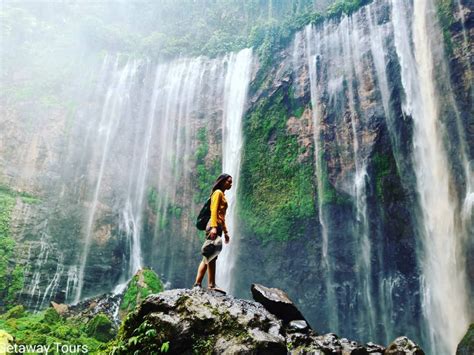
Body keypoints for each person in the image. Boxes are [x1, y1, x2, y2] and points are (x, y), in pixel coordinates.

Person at [193, 173, 232, 293]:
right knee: (210, 255)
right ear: (222, 181)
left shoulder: (222, 195)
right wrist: (214, 227)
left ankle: (199, 284)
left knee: (210, 255)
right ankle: (209, 284)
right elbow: (214, 211)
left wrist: (225, 232)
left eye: (231, 182)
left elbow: (222, 217)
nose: (230, 184)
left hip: (218, 226)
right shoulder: (218, 193)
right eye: (228, 181)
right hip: (213, 225)